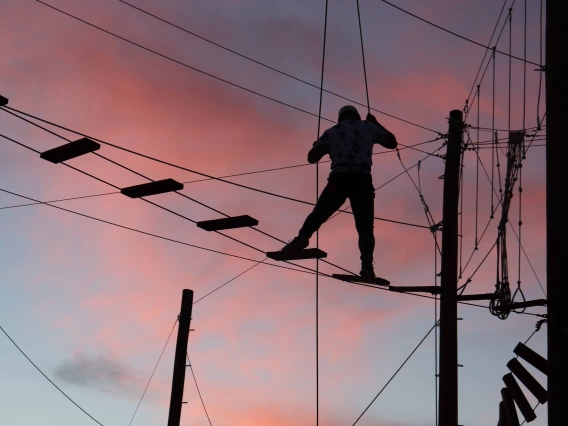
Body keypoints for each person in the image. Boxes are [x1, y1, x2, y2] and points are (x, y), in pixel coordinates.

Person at [282, 105, 398, 279]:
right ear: (357, 117)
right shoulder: (368, 127)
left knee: (319, 213)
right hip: (362, 181)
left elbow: (311, 158)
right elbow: (392, 143)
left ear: (340, 118)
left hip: (340, 179)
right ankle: (367, 266)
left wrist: (317, 146)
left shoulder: (332, 131)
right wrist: (376, 123)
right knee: (365, 228)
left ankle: (302, 238)